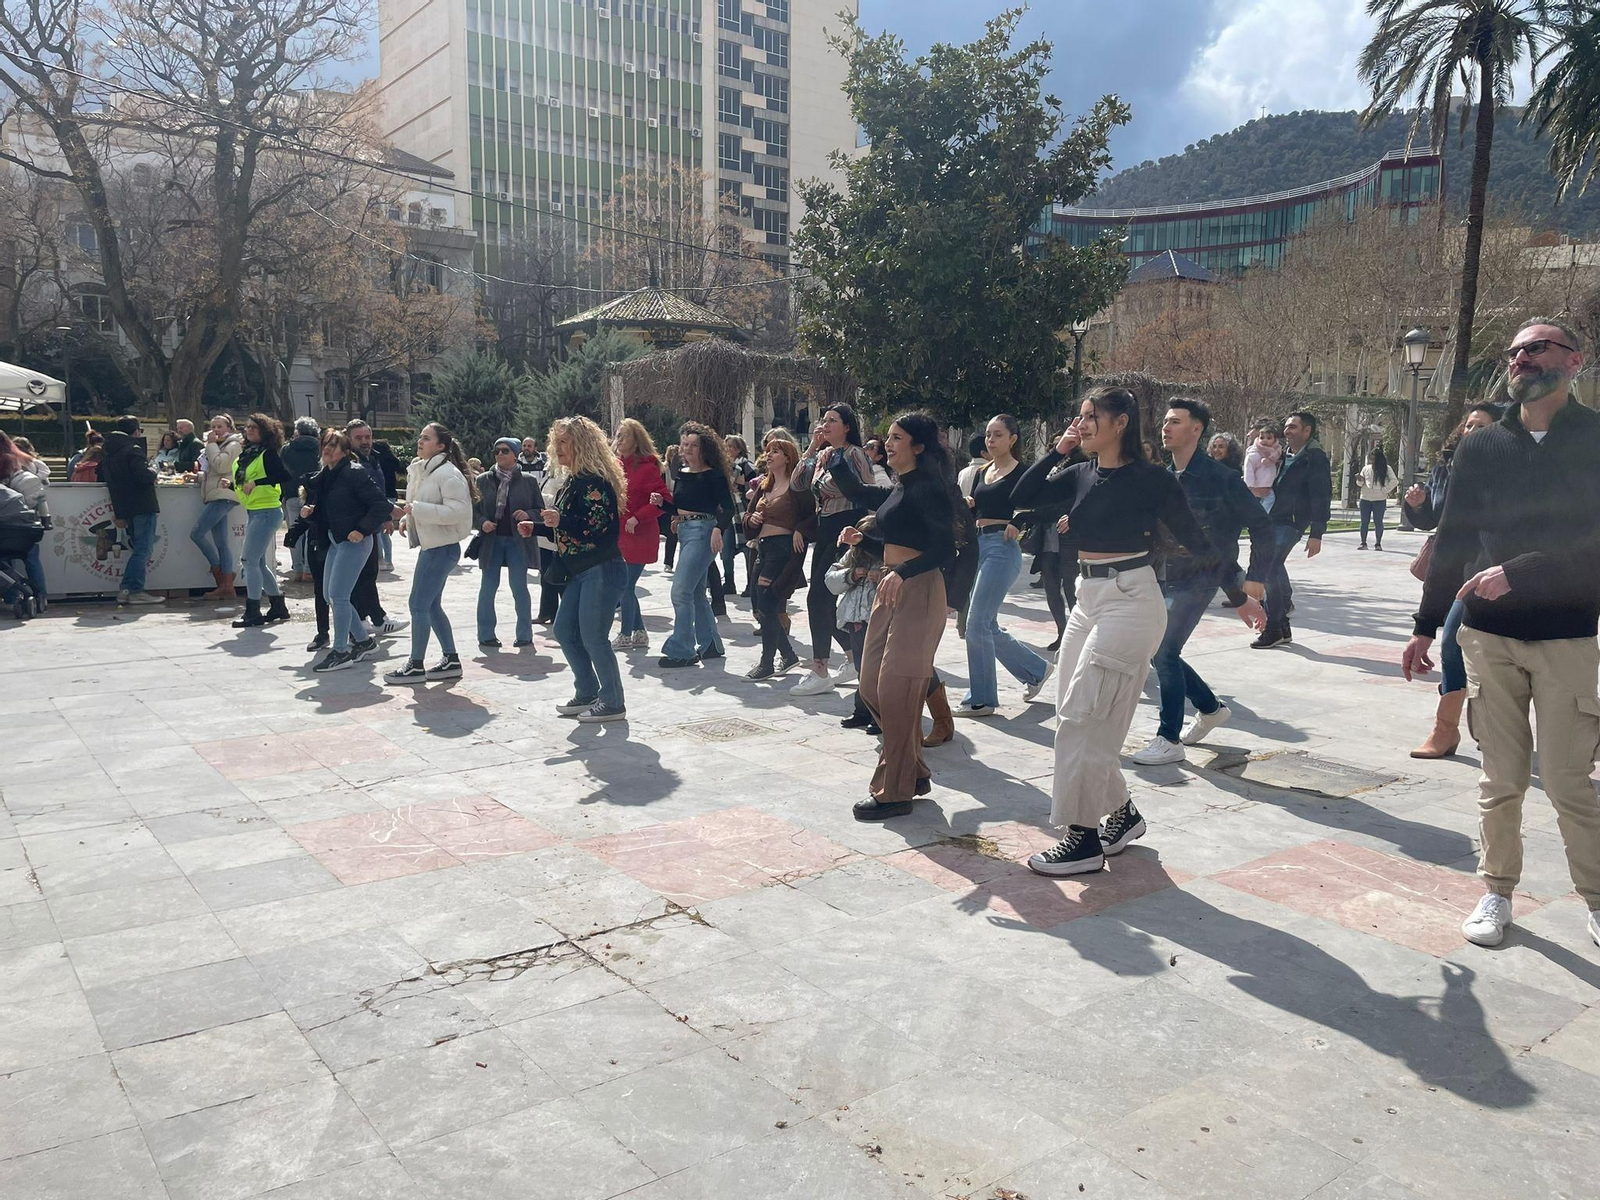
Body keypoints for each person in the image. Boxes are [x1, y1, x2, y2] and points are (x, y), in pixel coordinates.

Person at [1403, 318, 1600, 950]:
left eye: (1535, 348)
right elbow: (1455, 536)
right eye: (1513, 352)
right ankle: (1497, 891)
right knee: (1501, 778)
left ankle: (1595, 898)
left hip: (1567, 634)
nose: (1519, 359)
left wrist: (1522, 571)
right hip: (1489, 637)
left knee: (1570, 780)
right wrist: (1425, 625)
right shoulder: (1482, 446)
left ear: (1573, 361)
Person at [1009, 388, 1215, 876]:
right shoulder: (1079, 473)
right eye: (1078, 416)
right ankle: (1120, 814)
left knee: (1086, 718)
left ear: (1121, 422)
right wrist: (1057, 450)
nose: (1081, 425)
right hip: (1088, 598)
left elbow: (1194, 537)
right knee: (1073, 714)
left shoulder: (1151, 480)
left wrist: (1244, 590)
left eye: (1090, 417)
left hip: (1131, 601)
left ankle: (1081, 839)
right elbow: (1019, 497)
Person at [828, 412, 958, 820]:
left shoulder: (930, 488)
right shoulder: (901, 486)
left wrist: (902, 572)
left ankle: (895, 790)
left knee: (897, 689)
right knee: (870, 685)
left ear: (918, 446)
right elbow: (898, 537)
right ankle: (915, 771)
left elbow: (944, 549)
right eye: (888, 436)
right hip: (891, 585)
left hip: (917, 588)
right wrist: (863, 539)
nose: (888, 442)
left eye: (897, 437)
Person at [1128, 398, 1271, 766]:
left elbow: (1260, 525)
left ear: (1196, 429)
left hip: (1201, 579)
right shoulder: (1166, 476)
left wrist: (1250, 581)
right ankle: (1209, 708)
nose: (1166, 427)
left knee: (1165, 653)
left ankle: (1169, 738)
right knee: (1158, 651)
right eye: (1165, 421)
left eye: (1175, 421)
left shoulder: (1221, 479)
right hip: (1163, 574)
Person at [1402, 403, 1501, 759]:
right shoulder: (1447, 468)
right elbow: (1433, 522)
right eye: (1469, 425)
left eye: (1481, 427)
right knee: (1453, 643)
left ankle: (1494, 724)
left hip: (1504, 572)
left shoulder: (1511, 471)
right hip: (1460, 570)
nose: (1471, 432)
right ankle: (1445, 729)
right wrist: (1417, 505)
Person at [957, 413, 1052, 717]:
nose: (991, 440)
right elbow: (975, 507)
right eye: (988, 435)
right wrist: (970, 508)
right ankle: (1036, 670)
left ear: (1013, 439)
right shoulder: (981, 472)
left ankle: (982, 699)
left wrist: (1020, 520)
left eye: (998, 435)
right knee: (986, 625)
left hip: (1003, 548)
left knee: (976, 625)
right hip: (978, 545)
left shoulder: (1024, 472)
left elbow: (1047, 505)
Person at [539, 416, 628, 723]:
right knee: (564, 629)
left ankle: (614, 701)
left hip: (602, 568)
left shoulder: (594, 483)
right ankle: (588, 691)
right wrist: (537, 527)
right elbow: (569, 525)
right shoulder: (573, 481)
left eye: (564, 441)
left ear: (582, 445)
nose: (557, 447)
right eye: (556, 441)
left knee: (594, 637)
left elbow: (595, 529)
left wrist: (558, 521)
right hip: (581, 570)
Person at [385, 423, 477, 684]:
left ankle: (415, 664)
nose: (420, 442)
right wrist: (409, 520)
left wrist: (418, 510)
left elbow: (459, 514)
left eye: (427, 438)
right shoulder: (425, 470)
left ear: (441, 446)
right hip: (434, 546)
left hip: (442, 549)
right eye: (421, 437)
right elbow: (422, 507)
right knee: (431, 605)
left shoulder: (447, 473)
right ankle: (450, 660)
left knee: (418, 604)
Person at [791, 405, 872, 695]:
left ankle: (820, 668)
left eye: (832, 420)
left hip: (846, 525)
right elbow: (797, 482)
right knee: (822, 597)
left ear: (847, 426)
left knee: (820, 596)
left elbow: (866, 491)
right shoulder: (824, 455)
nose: (825, 424)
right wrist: (813, 446)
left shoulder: (854, 454)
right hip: (825, 528)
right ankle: (848, 659)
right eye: (823, 420)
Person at [308, 430, 391, 672]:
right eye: (325, 444)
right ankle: (364, 641)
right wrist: (309, 510)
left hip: (354, 541)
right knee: (329, 595)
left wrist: (362, 530)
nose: (328, 449)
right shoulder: (326, 475)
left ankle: (341, 650)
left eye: (334, 445)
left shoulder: (354, 472)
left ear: (345, 452)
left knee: (340, 597)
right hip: (336, 541)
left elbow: (380, 505)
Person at [655, 422, 733, 668]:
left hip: (703, 532)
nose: (687, 449)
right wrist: (665, 507)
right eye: (685, 444)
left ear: (704, 448)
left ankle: (683, 649)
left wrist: (718, 529)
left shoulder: (714, 475)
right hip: (686, 532)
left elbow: (728, 507)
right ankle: (709, 644)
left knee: (680, 592)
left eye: (693, 445)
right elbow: (681, 506)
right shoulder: (682, 473)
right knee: (696, 592)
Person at [1253, 411, 1329, 649]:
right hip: (1274, 517)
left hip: (1292, 521)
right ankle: (1282, 623)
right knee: (1272, 567)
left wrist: (1317, 533)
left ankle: (1275, 624)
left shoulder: (1315, 457)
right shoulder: (1284, 455)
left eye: (1293, 427)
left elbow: (1322, 495)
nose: (1287, 431)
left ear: (1307, 431)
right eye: (1286, 426)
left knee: (1269, 566)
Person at [743, 429, 813, 680]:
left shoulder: (796, 485)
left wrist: (800, 531)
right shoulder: (764, 486)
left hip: (783, 548)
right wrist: (752, 518)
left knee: (766, 602)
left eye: (775, 451)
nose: (769, 455)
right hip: (762, 549)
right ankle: (788, 655)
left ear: (787, 456)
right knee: (765, 606)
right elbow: (747, 521)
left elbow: (810, 513)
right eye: (768, 451)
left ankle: (767, 662)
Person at [475, 437, 545, 649]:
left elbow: (540, 511)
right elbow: (473, 511)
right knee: (488, 587)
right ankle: (486, 635)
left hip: (518, 542)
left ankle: (524, 635)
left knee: (519, 587)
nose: (500, 454)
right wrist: (482, 522)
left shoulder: (528, 481)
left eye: (505, 450)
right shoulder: (483, 480)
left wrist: (528, 514)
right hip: (492, 541)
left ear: (516, 454)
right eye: (497, 451)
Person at [228, 413, 292, 628]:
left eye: (255, 427)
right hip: (256, 511)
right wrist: (232, 485)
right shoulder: (246, 454)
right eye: (247, 427)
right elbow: (244, 480)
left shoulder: (267, 453)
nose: (249, 430)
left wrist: (257, 482)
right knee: (259, 563)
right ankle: (277, 605)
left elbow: (283, 475)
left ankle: (253, 610)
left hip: (266, 511)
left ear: (265, 431)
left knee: (249, 561)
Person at [344, 420, 405, 636]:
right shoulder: (349, 463)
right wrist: (387, 511)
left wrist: (384, 517)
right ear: (349, 440)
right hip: (356, 527)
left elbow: (377, 490)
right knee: (361, 576)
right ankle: (373, 620)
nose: (364, 442)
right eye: (358, 438)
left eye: (367, 437)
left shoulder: (373, 458)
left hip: (371, 525)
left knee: (368, 574)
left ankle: (369, 619)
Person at [614, 419, 669, 651]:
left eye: (624, 436)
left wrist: (638, 516)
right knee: (625, 586)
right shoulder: (615, 465)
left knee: (625, 586)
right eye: (617, 435)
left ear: (636, 441)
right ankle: (640, 632)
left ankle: (626, 633)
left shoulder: (647, 467)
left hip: (639, 534)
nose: (619, 440)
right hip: (620, 534)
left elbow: (662, 499)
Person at [98, 415, 165, 605]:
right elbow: (143, 477)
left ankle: (126, 589)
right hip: (142, 504)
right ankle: (136, 590)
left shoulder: (110, 451)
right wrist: (153, 470)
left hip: (124, 505)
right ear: (136, 431)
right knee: (143, 550)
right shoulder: (133, 450)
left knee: (138, 548)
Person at [189, 414, 243, 602]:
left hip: (223, 495)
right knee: (221, 542)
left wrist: (210, 445)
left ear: (229, 428)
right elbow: (214, 471)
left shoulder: (233, 445)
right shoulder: (221, 446)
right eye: (212, 426)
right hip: (217, 495)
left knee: (197, 534)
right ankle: (226, 583)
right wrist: (198, 477)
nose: (215, 430)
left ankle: (221, 574)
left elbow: (221, 466)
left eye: (219, 426)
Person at [0, 431, 48, 610]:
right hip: (28, 520)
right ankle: (41, 595)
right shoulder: (25, 461)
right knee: (32, 560)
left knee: (5, 562)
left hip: (5, 522)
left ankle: (13, 595)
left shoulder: (3, 462)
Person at [280, 416, 323, 582]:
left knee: (294, 532)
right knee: (310, 531)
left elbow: (281, 470)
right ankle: (308, 569)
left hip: (291, 494)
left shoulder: (287, 448)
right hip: (312, 494)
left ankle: (297, 568)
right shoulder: (320, 447)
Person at [1356, 445, 1396, 550]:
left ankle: (1378, 543)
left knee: (1378, 522)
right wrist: (1359, 480)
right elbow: (1360, 484)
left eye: (1374, 459)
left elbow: (1394, 481)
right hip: (1365, 498)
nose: (1372, 461)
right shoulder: (1366, 468)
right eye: (1371, 458)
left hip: (1379, 500)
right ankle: (1363, 543)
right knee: (1364, 522)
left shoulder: (1387, 469)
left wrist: (1384, 490)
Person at [1244, 425, 1280, 509]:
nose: (1265, 440)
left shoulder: (1275, 453)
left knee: (1270, 502)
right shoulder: (1254, 454)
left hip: (1269, 488)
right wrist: (1250, 488)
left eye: (1269, 438)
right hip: (1255, 488)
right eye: (1262, 437)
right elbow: (1248, 470)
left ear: (1274, 440)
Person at [661, 444, 681, 570]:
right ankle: (668, 562)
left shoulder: (684, 469)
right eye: (671, 454)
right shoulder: (663, 469)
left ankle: (670, 563)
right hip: (665, 503)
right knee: (669, 533)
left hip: (678, 503)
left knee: (673, 534)